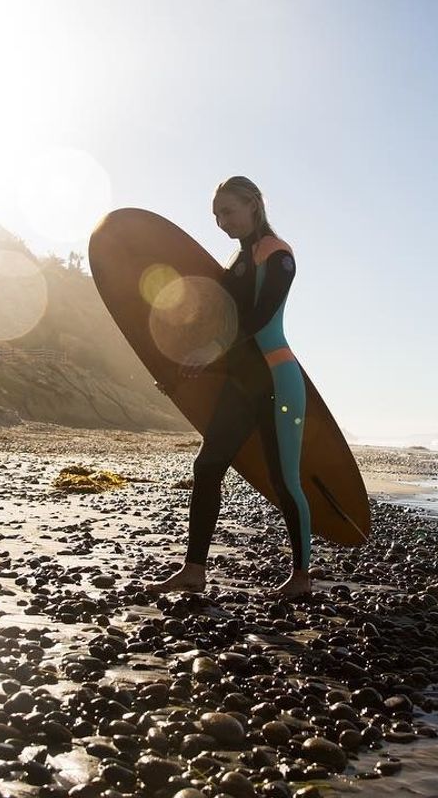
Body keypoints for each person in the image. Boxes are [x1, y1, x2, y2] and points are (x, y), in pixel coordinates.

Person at [148, 176, 313, 597]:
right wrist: (182, 370)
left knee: (284, 481)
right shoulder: (235, 265)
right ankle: (194, 569)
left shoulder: (277, 256)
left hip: (277, 378)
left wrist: (209, 354)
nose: (221, 222)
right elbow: (216, 325)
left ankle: (301, 578)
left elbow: (258, 320)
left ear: (254, 205)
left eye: (228, 211)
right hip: (241, 383)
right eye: (216, 215)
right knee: (206, 467)